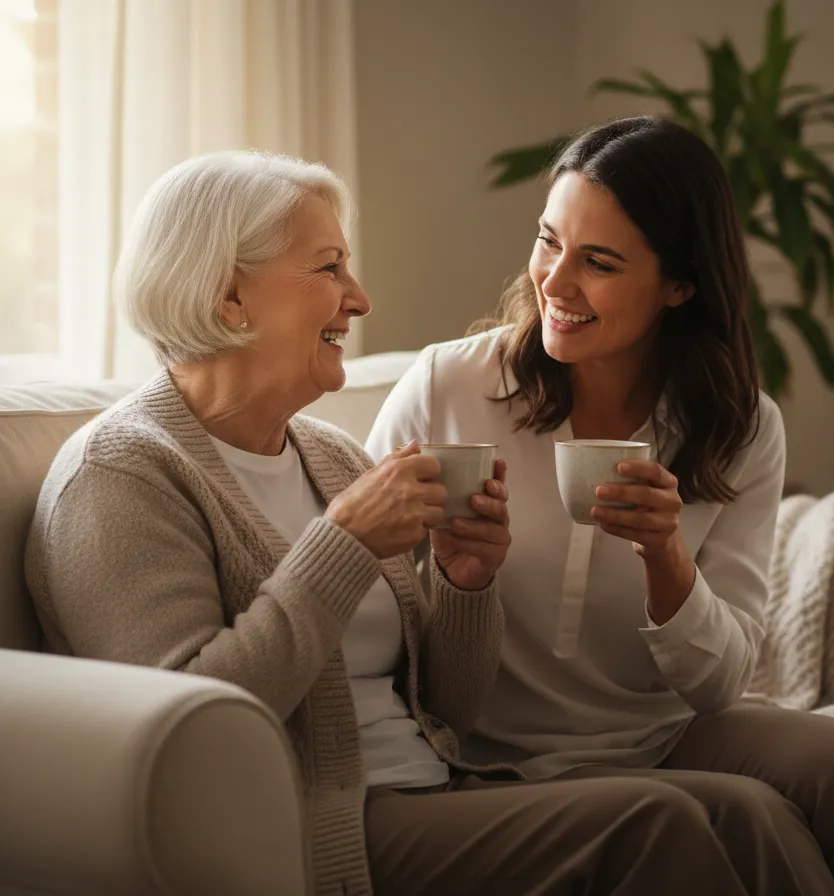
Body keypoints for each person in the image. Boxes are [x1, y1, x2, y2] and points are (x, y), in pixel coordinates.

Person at [25, 150, 775, 896]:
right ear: (229, 298)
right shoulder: (122, 475)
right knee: (659, 821)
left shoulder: (330, 456)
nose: (359, 299)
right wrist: (342, 547)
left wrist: (464, 583)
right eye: (328, 270)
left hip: (442, 786)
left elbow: (444, 710)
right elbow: (188, 735)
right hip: (326, 821)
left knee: (740, 812)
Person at [368, 116, 834, 895]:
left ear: (681, 284)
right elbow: (362, 601)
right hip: (489, 752)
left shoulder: (736, 426)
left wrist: (665, 558)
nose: (556, 282)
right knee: (752, 815)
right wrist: (457, 576)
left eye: (598, 262)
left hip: (661, 736)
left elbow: (720, 683)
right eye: (548, 242)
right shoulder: (449, 388)